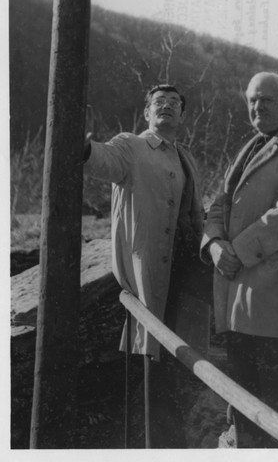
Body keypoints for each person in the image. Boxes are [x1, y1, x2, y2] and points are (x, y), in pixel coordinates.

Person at [201, 72, 278, 448]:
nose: (259, 107)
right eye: (253, 100)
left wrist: (235, 251)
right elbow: (218, 204)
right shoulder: (250, 147)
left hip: (275, 304)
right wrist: (214, 243)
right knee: (245, 408)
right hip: (239, 300)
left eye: (268, 100)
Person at [84, 83, 206, 448]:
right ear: (146, 113)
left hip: (183, 275)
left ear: (182, 116)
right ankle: (152, 445)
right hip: (148, 275)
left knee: (177, 363)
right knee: (151, 364)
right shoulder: (131, 146)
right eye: (159, 103)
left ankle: (171, 440)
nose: (166, 107)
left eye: (174, 103)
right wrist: (82, 144)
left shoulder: (186, 157)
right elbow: (100, 160)